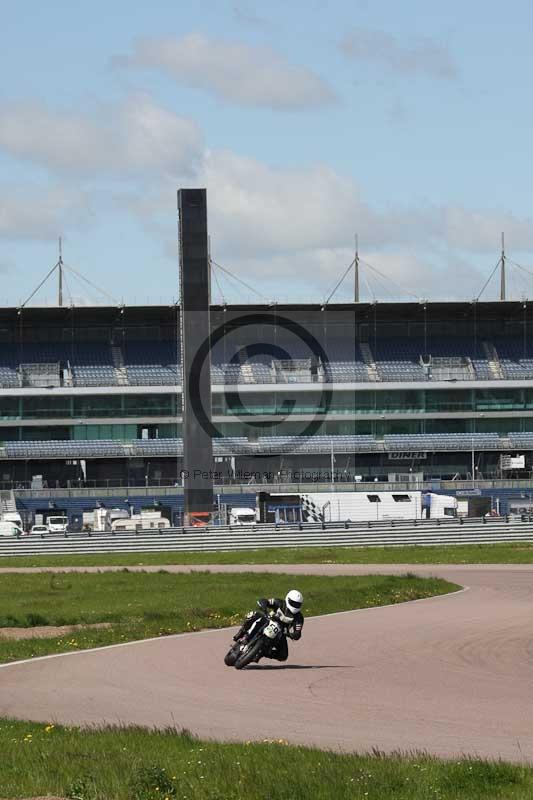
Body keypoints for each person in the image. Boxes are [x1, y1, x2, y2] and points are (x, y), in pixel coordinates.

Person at [233, 589, 304, 662]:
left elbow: (298, 632)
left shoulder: (299, 617)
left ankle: (262, 652)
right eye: (293, 603)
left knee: (283, 655)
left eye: (297, 604)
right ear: (288, 599)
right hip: (268, 620)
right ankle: (241, 633)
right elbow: (264, 601)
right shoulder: (279, 603)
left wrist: (291, 634)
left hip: (281, 633)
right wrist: (264, 607)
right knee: (253, 614)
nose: (295, 606)